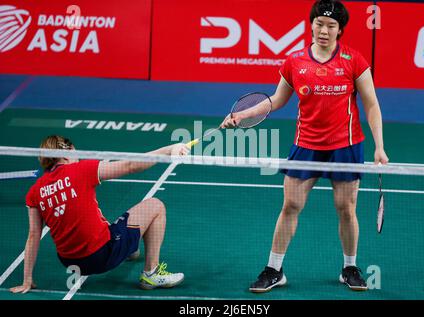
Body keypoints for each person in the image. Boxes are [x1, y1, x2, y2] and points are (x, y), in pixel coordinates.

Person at [222, 0, 389, 292]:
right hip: (306, 143)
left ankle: (349, 267)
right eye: (319, 24)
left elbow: (372, 104)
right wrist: (243, 115)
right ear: (311, 25)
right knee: (291, 206)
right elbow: (277, 99)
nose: (324, 31)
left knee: (346, 209)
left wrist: (379, 146)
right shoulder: (295, 60)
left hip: (346, 145)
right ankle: (274, 269)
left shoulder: (354, 60)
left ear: (340, 30)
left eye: (331, 26)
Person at [10, 135, 190, 294]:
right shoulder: (82, 170)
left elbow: (34, 235)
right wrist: (169, 150)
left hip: (71, 263)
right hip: (100, 256)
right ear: (67, 153)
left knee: (109, 227)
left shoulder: (34, 191)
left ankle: (130, 249)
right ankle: (151, 273)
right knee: (155, 205)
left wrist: (27, 280)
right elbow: (131, 165)